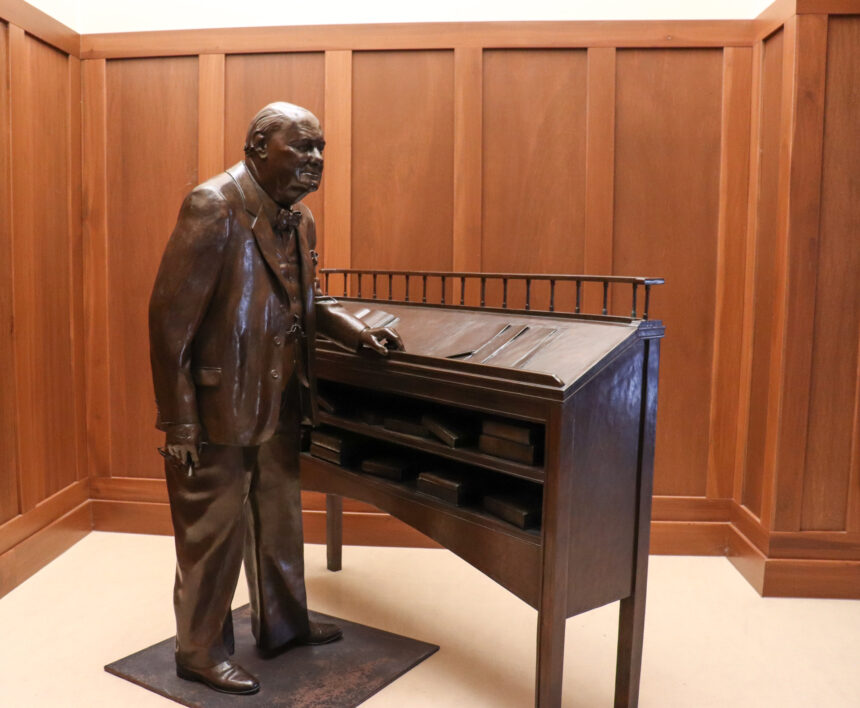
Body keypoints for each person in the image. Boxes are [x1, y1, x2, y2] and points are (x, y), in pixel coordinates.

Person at [148, 101, 403, 695]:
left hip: (281, 396)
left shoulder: (300, 218)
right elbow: (168, 321)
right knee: (212, 533)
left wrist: (351, 329)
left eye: (321, 149)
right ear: (259, 146)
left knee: (281, 514)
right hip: (216, 407)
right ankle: (199, 651)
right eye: (302, 147)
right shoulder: (213, 205)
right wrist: (178, 422)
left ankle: (283, 625)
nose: (316, 160)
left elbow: (304, 298)